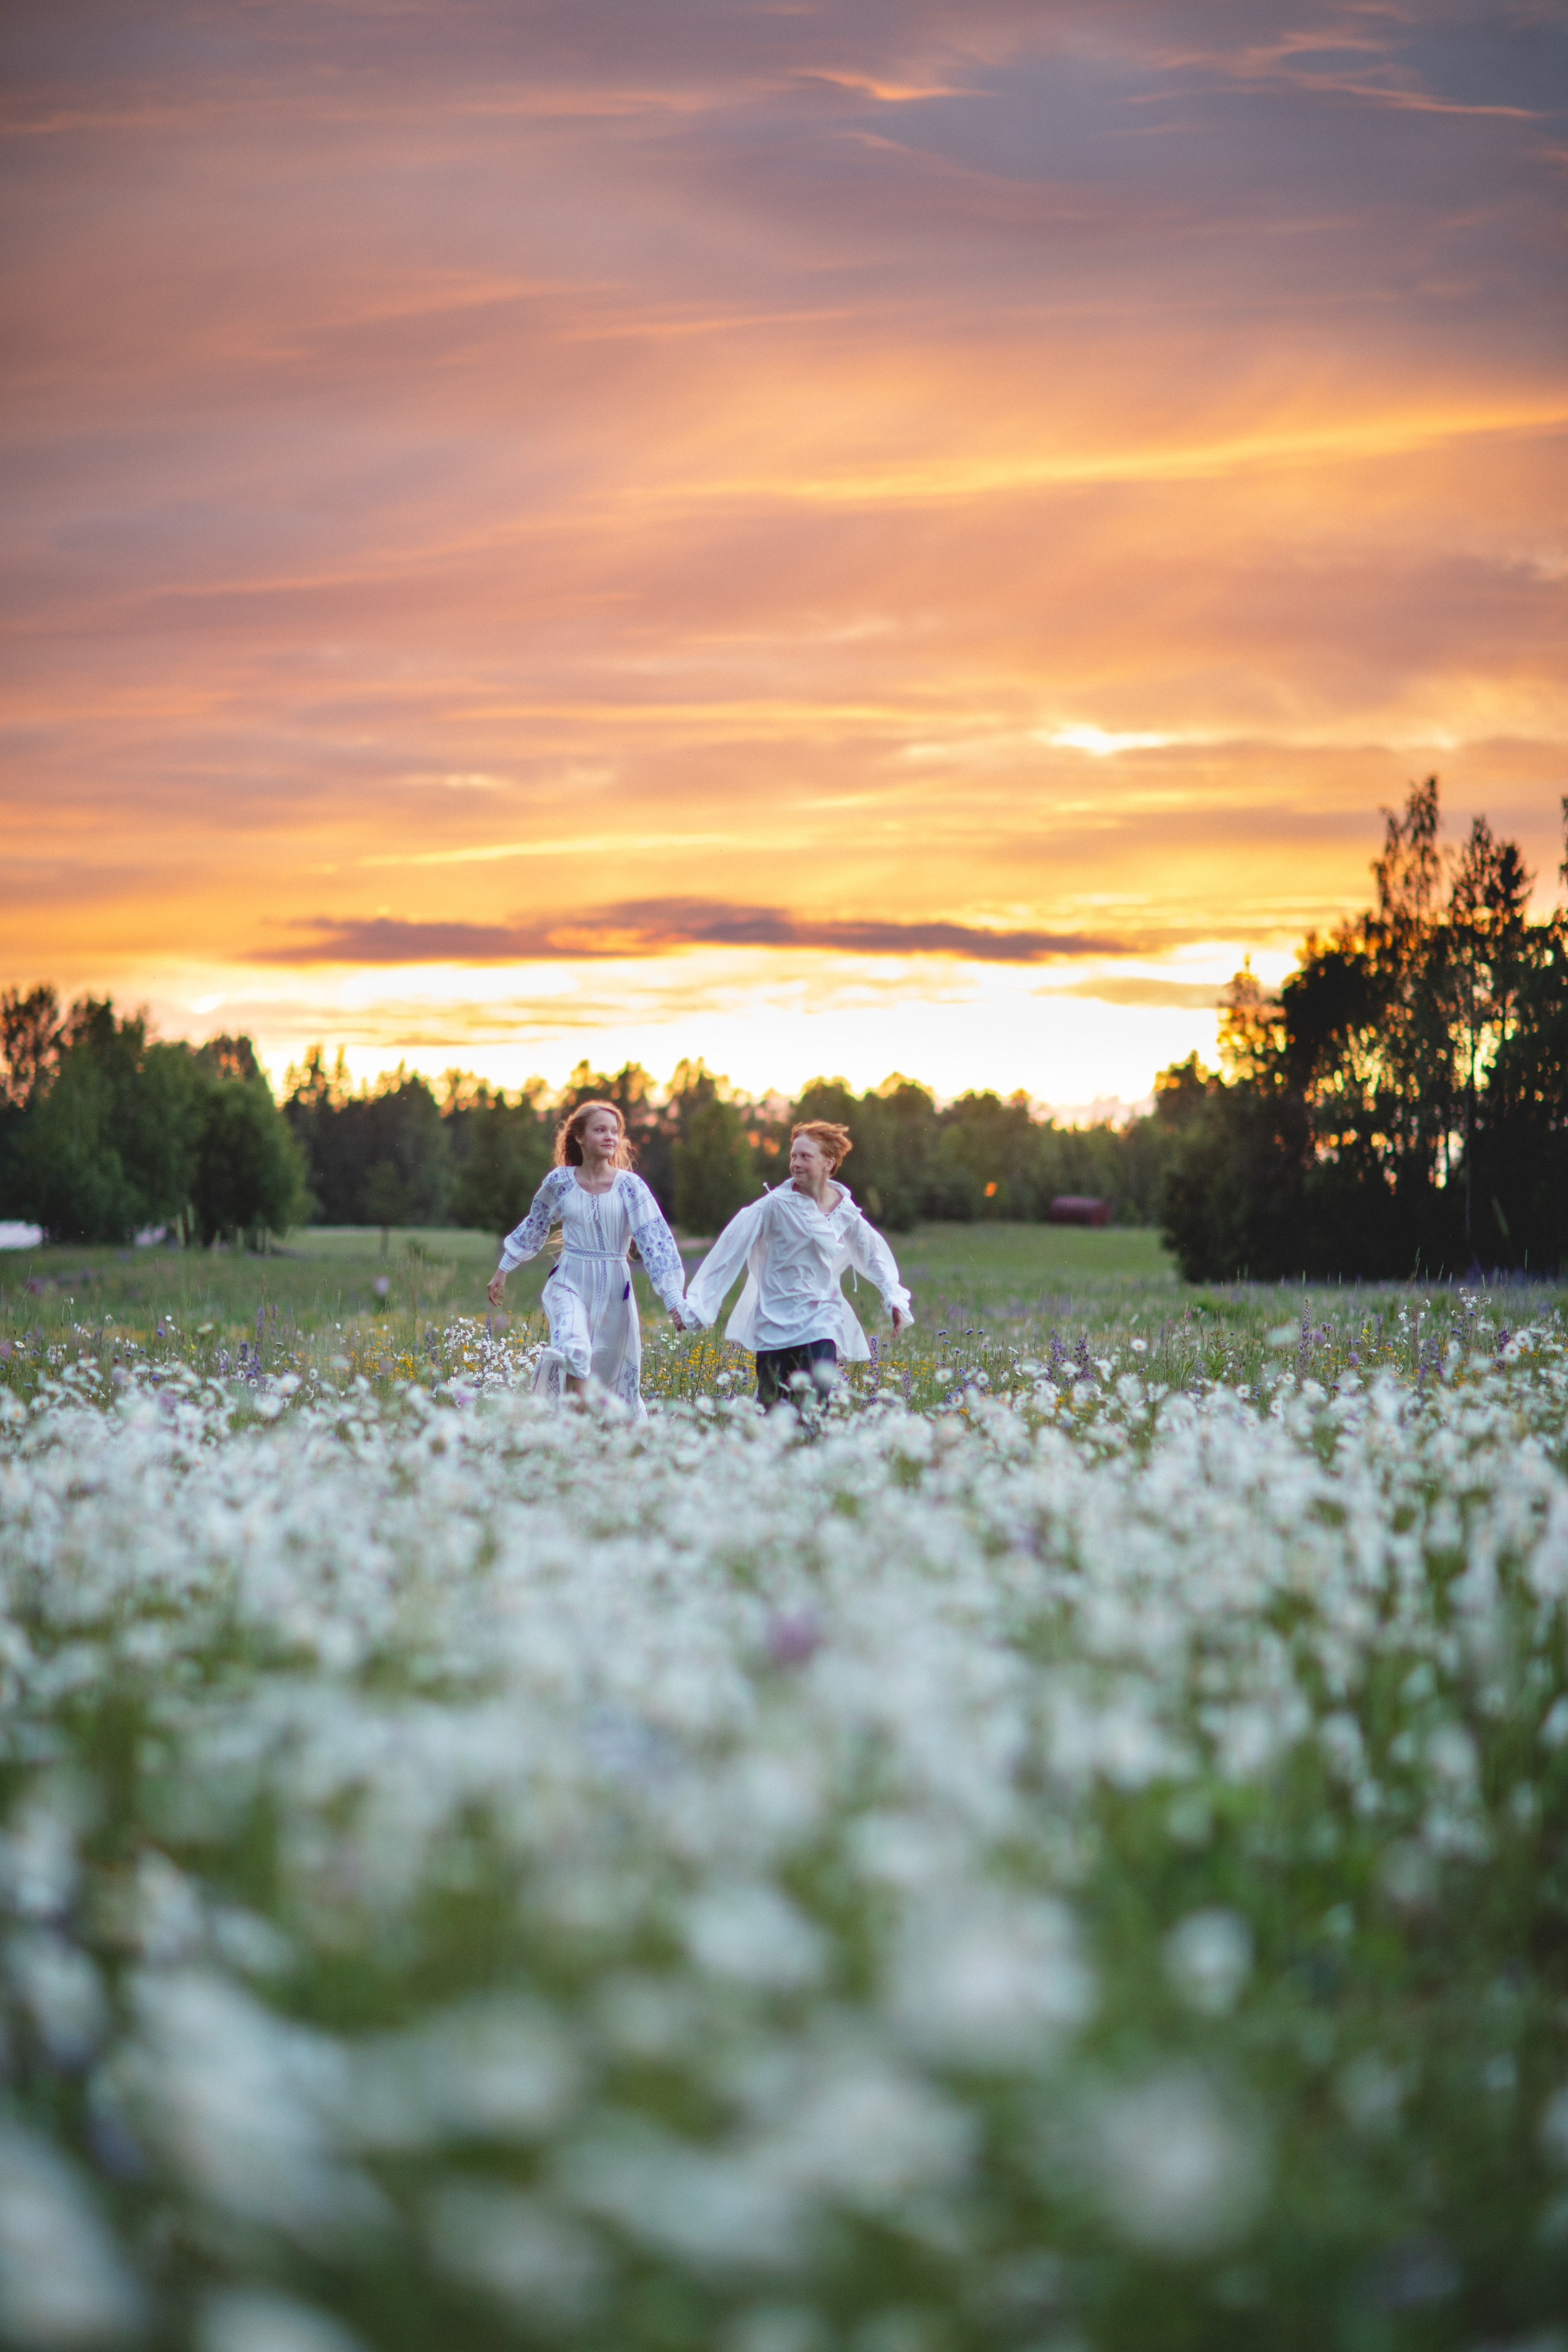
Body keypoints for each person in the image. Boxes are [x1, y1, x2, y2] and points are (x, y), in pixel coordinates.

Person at [684, 1119, 911, 1407]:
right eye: (793, 1156)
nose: (796, 1163)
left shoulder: (845, 1211)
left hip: (822, 1322)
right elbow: (727, 1254)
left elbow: (874, 1255)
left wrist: (894, 1298)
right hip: (774, 1323)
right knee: (774, 1410)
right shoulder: (773, 1206)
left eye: (805, 1156)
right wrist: (697, 1306)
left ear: (829, 1163)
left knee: (813, 1407)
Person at [486, 1101, 688, 1411]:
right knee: (572, 1346)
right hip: (569, 1282)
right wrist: (504, 1268)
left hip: (614, 1291)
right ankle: (574, 1430)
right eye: (600, 1130)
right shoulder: (560, 1183)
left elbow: (656, 1242)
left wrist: (673, 1299)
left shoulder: (631, 1188)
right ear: (580, 1137)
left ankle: (604, 1440)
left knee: (611, 1374)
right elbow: (535, 1225)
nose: (610, 1137)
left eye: (615, 1131)